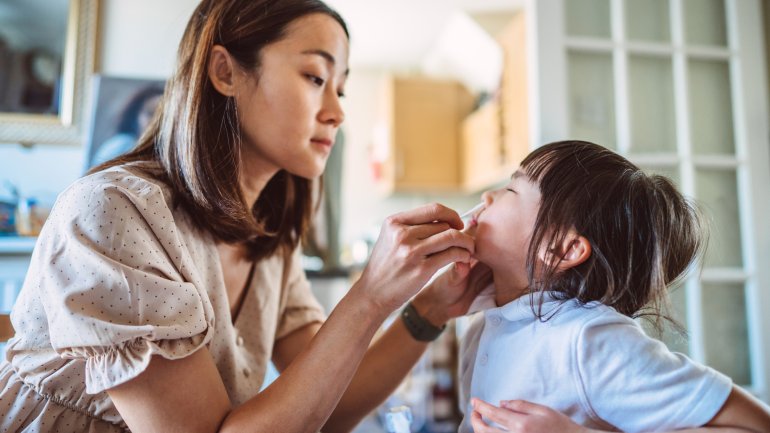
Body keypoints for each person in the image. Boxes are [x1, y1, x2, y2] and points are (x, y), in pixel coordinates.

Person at [0, 1, 494, 431]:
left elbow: (329, 405)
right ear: (226, 72)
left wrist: (429, 309)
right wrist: (369, 296)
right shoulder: (113, 214)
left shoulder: (271, 241)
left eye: (340, 89)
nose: (337, 112)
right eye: (316, 77)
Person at [435, 140, 770, 432]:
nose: (487, 197)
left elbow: (756, 425)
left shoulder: (590, 340)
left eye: (511, 190)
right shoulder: (483, 330)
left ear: (562, 249)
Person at [89, 84, 164, 168]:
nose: (157, 121)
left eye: (163, 116)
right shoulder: (122, 144)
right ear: (135, 116)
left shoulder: (162, 153)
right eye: (151, 113)